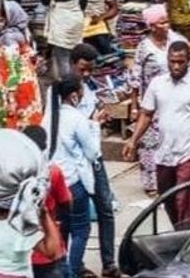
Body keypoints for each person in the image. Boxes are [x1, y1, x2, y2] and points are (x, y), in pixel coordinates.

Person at [123, 41, 190, 230]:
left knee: (184, 200)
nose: (176, 66)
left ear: (188, 61)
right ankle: (179, 237)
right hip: (164, 153)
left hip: (189, 152)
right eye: (172, 61)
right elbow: (146, 114)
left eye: (180, 62)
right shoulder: (157, 84)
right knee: (168, 199)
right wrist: (133, 141)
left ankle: (185, 243)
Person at [60, 45, 122, 277]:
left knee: (105, 208)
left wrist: (97, 119)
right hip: (76, 164)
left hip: (92, 160)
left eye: (90, 70)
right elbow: (70, 128)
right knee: (74, 222)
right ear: (72, 63)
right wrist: (92, 122)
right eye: (83, 69)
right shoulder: (61, 91)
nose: (86, 74)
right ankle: (73, 265)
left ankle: (108, 263)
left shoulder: (89, 90)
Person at [48, 77, 104, 278]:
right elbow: (93, 152)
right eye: (80, 93)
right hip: (73, 183)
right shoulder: (76, 118)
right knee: (81, 229)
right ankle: (72, 271)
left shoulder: (48, 118)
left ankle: (61, 271)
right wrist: (95, 126)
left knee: (61, 230)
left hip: (53, 184)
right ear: (73, 95)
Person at [131, 5, 174, 195]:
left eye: (167, 21)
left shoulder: (175, 40)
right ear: (152, 26)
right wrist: (134, 105)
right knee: (149, 144)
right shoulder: (144, 47)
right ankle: (152, 183)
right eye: (161, 22)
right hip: (151, 102)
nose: (166, 25)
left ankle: (172, 178)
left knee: (171, 139)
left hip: (173, 99)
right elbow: (135, 77)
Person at [21, 126, 71, 278]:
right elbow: (66, 203)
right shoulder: (53, 172)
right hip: (50, 246)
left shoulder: (14, 173)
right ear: (45, 145)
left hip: (23, 251)